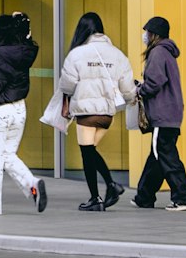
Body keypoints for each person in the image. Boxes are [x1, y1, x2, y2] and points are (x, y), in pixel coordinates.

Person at [58, 11, 137, 211]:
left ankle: (104, 190)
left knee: (87, 152)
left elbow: (67, 85)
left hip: (86, 112)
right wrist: (130, 101)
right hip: (107, 114)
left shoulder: (77, 54)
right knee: (90, 152)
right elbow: (128, 88)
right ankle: (103, 193)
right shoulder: (118, 54)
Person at [0, 11, 47, 216]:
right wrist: (23, 17)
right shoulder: (25, 51)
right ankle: (32, 187)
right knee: (6, 155)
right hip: (19, 109)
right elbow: (28, 35)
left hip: (0, 111)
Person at [132, 15, 186, 212]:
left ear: (154, 34)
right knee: (157, 156)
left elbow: (155, 82)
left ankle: (183, 197)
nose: (145, 35)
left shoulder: (158, 52)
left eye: (147, 32)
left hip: (163, 114)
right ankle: (144, 196)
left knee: (166, 156)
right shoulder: (167, 53)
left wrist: (139, 90)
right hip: (171, 113)